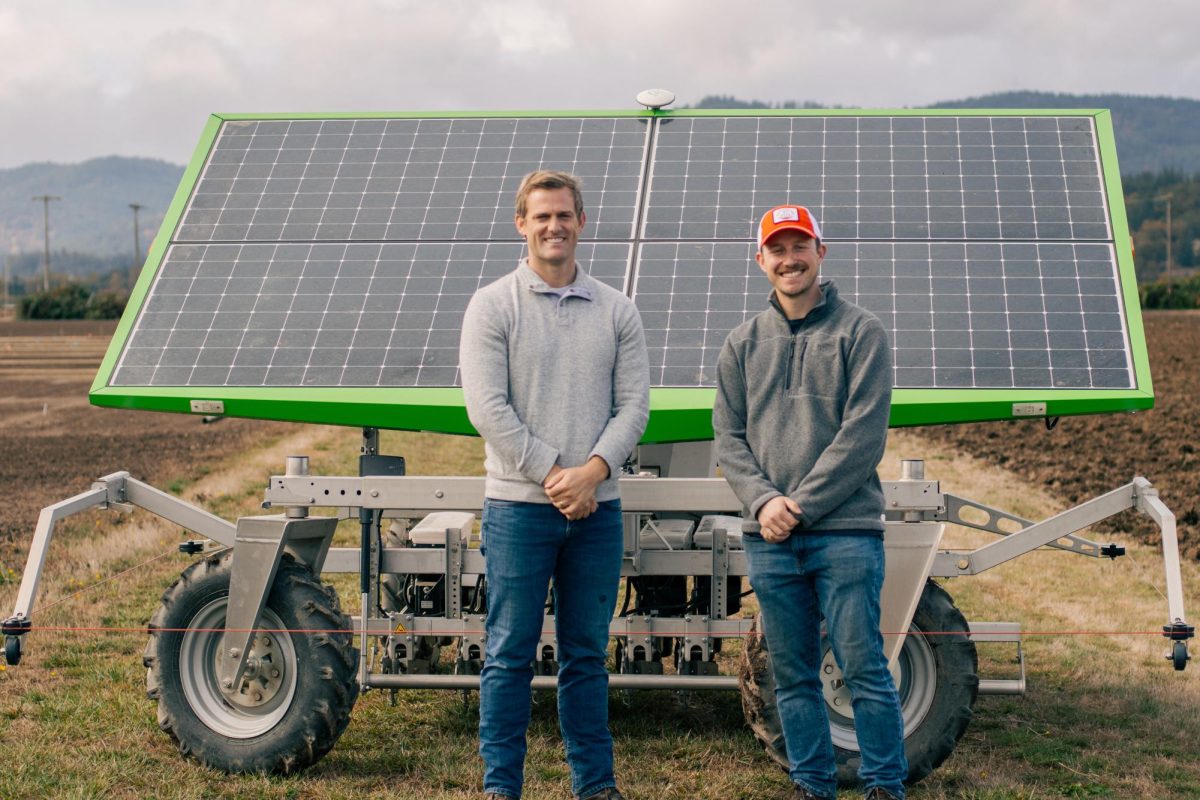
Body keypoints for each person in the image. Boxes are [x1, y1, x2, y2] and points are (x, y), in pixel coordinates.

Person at [459, 170, 650, 800]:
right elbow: (487, 407)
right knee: (509, 654)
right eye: (541, 216)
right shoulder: (492, 305)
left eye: (564, 215)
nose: (553, 226)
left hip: (595, 512)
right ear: (521, 223)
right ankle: (500, 788)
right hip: (517, 509)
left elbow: (634, 408)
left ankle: (595, 787)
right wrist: (552, 474)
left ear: (581, 222)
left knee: (586, 657)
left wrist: (592, 473)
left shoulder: (618, 310)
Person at [712, 205, 906, 800]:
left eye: (800, 246)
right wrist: (765, 502)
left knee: (863, 667)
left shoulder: (860, 332)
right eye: (777, 248)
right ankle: (812, 784)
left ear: (821, 252)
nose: (789, 259)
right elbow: (729, 437)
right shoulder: (741, 344)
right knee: (792, 676)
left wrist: (798, 506)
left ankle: (883, 786)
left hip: (845, 533)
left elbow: (863, 434)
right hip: (768, 537)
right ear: (761, 260)